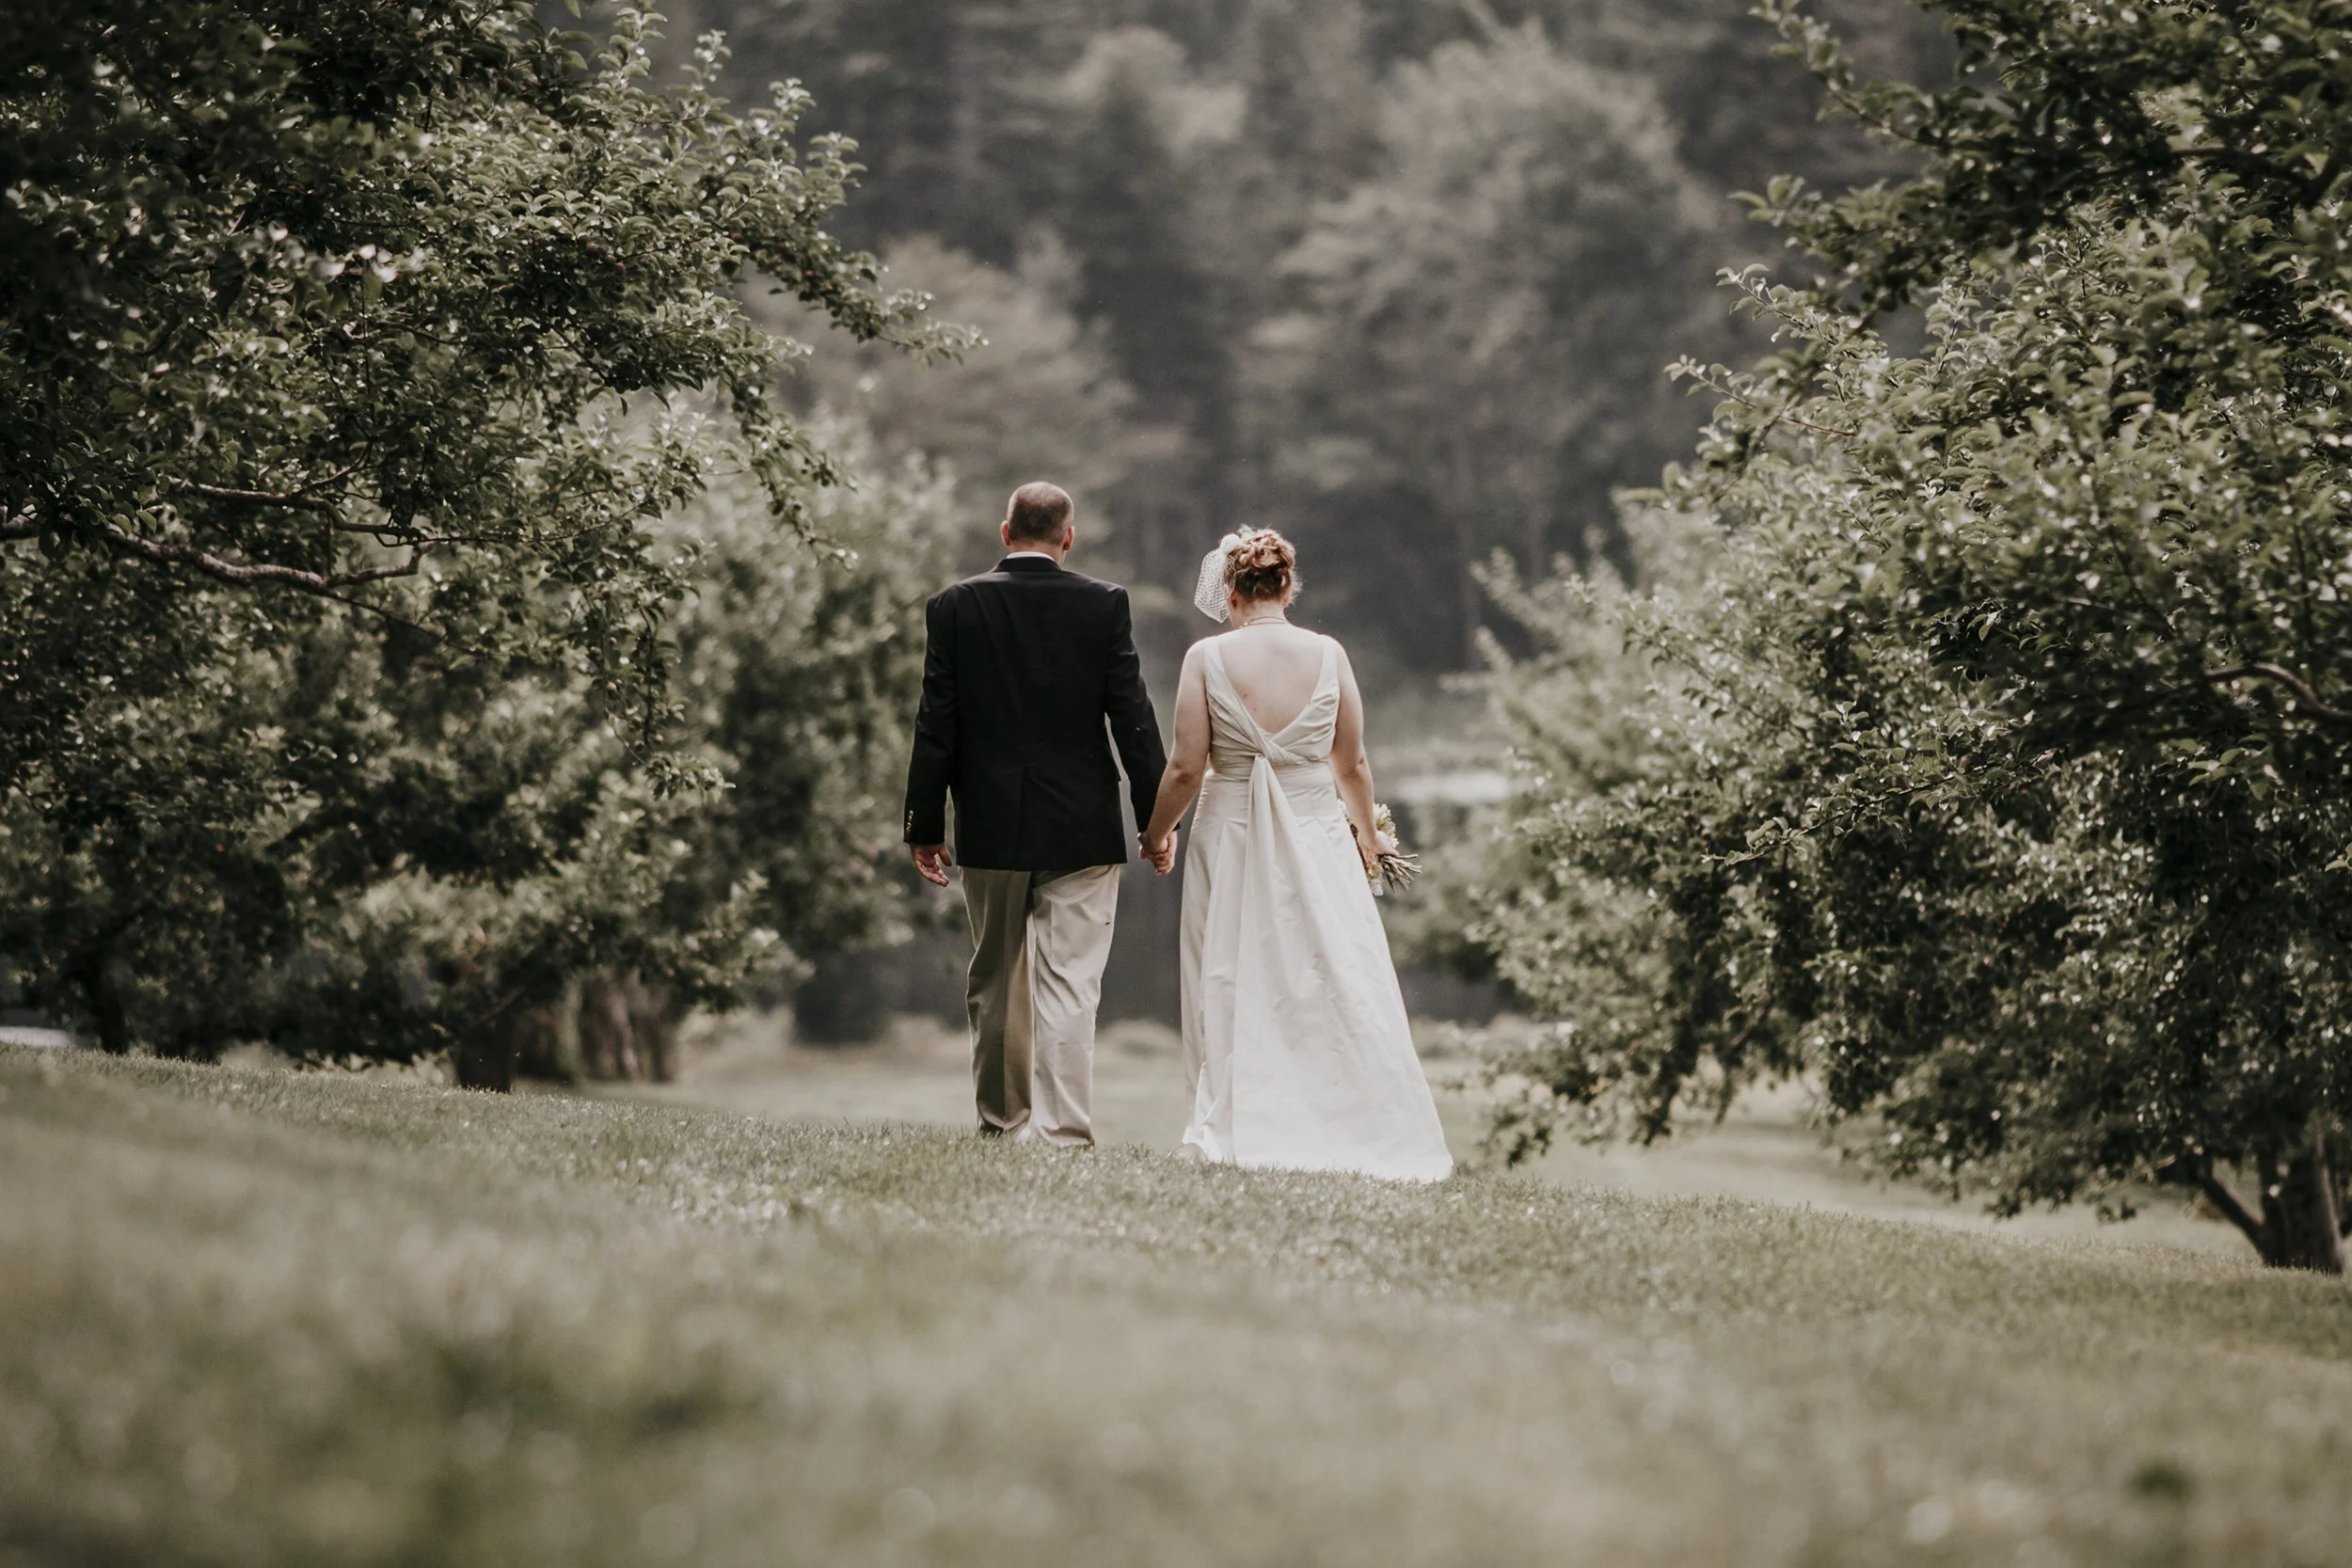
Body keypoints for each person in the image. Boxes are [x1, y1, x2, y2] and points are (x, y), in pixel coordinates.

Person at [1140, 529, 1453, 1180]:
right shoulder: (1329, 654)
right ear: (1288, 585)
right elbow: (1354, 762)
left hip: (1230, 835)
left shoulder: (1206, 656)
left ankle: (1228, 1118)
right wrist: (1368, 835)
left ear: (1231, 592)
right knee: (1329, 971)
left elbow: (1185, 768)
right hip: (1315, 834)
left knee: (1225, 971)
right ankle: (1346, 1119)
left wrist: (1156, 832)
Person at [902, 482, 1168, 1145]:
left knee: (994, 977)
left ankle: (1001, 1121)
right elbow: (1132, 717)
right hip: (1082, 822)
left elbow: (937, 722)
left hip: (990, 821)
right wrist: (1156, 818)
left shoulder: (955, 606)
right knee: (1072, 983)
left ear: (1005, 531)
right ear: (1067, 537)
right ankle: (1064, 1133)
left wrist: (924, 824)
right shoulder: (1103, 604)